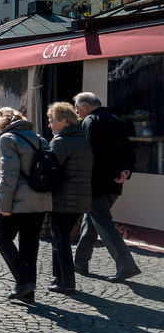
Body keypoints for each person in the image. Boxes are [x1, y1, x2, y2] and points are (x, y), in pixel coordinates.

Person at [73, 92, 141, 282]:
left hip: (96, 183)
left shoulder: (90, 122)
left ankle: (126, 266)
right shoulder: (117, 120)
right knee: (91, 220)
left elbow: (92, 156)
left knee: (103, 223)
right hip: (116, 182)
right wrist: (125, 171)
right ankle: (79, 263)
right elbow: (130, 150)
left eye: (77, 107)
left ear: (86, 106)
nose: (76, 112)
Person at [0, 107, 52, 304]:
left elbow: (8, 176)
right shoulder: (39, 138)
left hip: (18, 201)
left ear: (2, 124)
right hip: (41, 199)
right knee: (30, 245)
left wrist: (4, 205)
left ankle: (24, 280)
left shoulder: (8, 139)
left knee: (1, 238)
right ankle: (28, 293)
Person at [46, 101, 93, 293]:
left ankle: (66, 281)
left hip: (63, 198)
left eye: (51, 120)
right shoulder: (83, 138)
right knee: (61, 238)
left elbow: (51, 169)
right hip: (80, 197)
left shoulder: (60, 141)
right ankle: (60, 278)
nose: (50, 124)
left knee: (60, 240)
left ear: (64, 121)